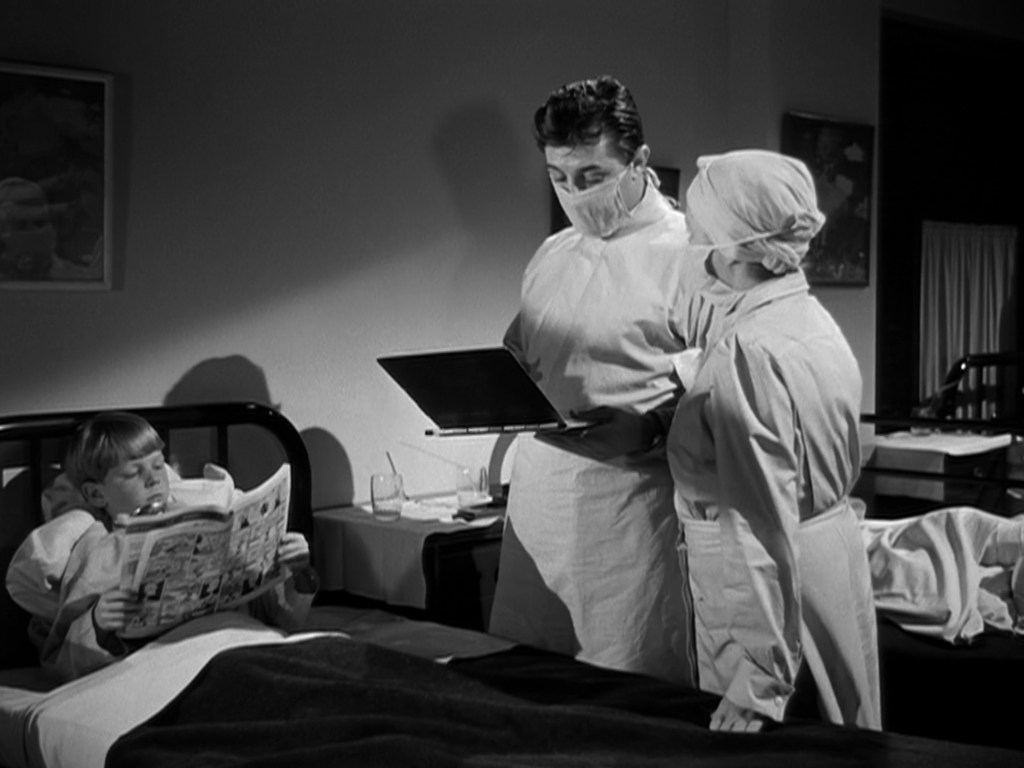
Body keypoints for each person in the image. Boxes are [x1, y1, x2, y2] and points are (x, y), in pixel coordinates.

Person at [488, 75, 715, 683]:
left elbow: (733, 392)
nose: (573, 194)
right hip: (539, 511)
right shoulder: (553, 255)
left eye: (589, 177)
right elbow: (527, 351)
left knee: (627, 696)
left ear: (638, 162)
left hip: (630, 516)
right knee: (527, 683)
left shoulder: (691, 255)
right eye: (558, 179)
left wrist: (649, 429)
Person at [667, 149, 881, 732]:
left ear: (735, 246)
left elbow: (757, 521)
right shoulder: (809, 319)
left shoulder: (749, 351)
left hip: (769, 598)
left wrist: (756, 682)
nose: (690, 245)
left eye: (696, 231)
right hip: (829, 563)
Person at [5, 411, 319, 683]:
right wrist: (98, 622)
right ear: (97, 494)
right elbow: (60, 660)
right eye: (132, 473)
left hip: (244, 642)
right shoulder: (98, 550)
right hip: (172, 666)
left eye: (158, 466)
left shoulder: (207, 519)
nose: (153, 479)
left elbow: (281, 618)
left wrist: (297, 573)